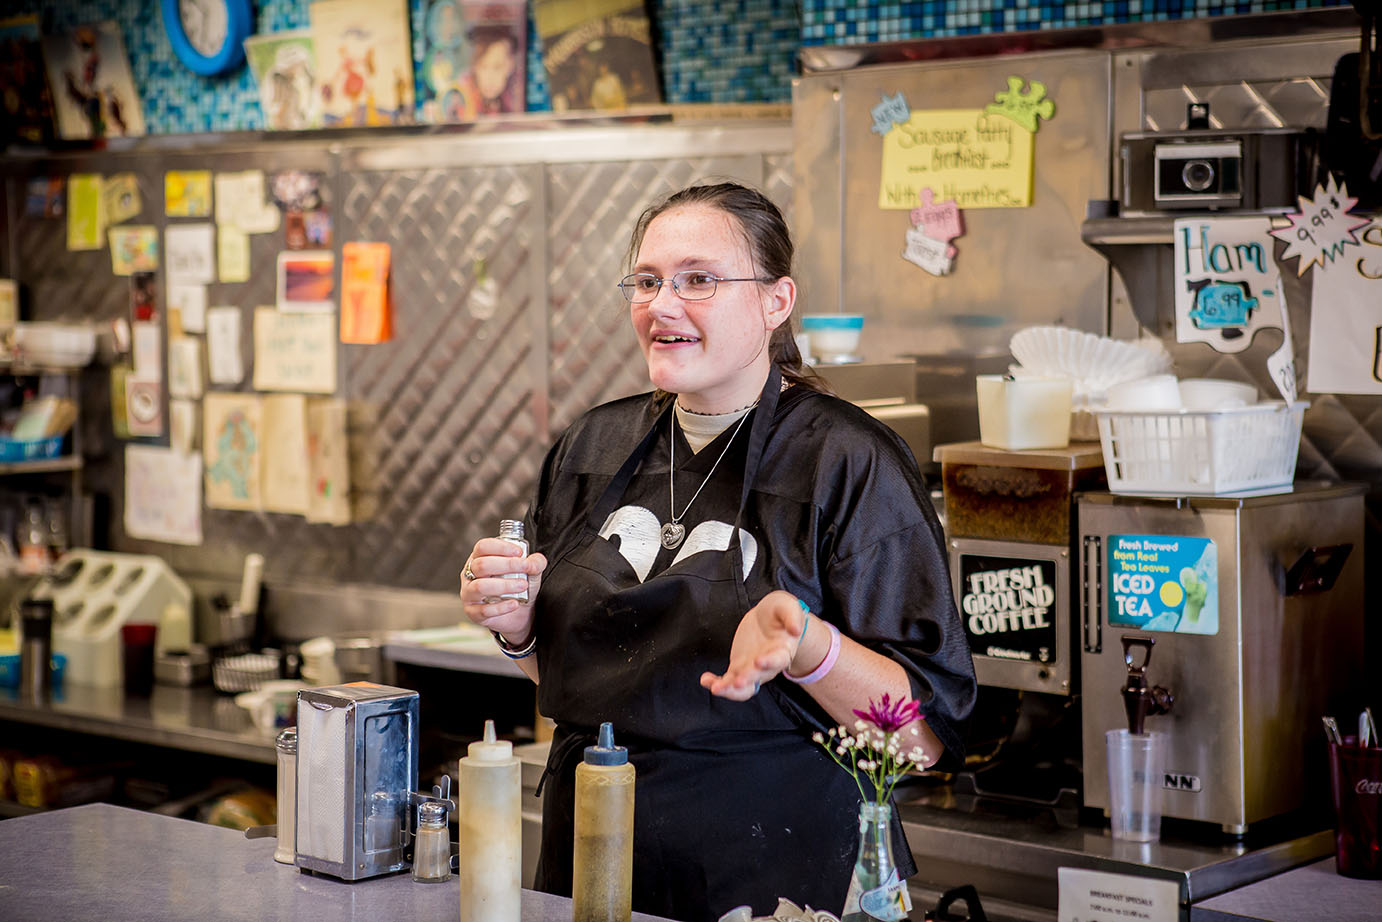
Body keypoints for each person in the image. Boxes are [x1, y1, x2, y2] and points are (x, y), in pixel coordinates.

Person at [460, 181, 976, 922]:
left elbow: (919, 742)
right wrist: (516, 627)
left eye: (698, 280)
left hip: (779, 872)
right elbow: (576, 677)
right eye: (647, 281)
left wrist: (810, 648)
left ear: (776, 300)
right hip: (593, 848)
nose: (661, 304)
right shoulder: (592, 447)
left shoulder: (846, 462)